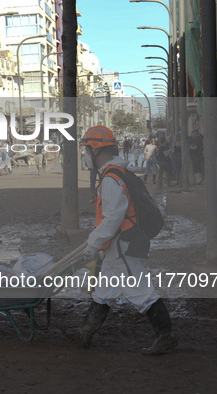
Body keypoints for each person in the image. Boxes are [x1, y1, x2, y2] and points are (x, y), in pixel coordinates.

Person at [76, 125, 177, 355]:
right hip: (118, 246)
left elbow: (113, 218)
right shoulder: (115, 173)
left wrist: (93, 244)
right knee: (104, 291)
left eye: (86, 151)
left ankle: (165, 336)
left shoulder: (111, 178)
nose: (85, 156)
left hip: (124, 246)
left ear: (95, 151)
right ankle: (85, 332)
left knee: (140, 291)